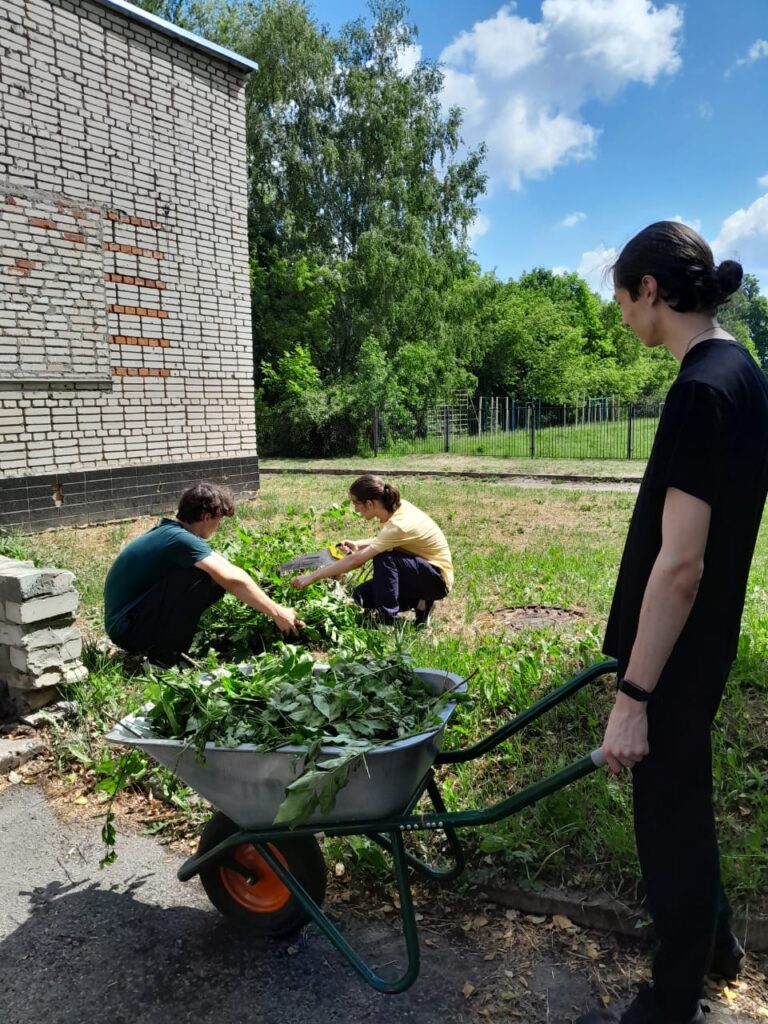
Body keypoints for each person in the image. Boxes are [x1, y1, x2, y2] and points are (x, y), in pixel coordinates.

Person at [577, 222, 768, 1024]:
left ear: (649, 290)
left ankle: (672, 1000)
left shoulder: (699, 390)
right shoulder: (744, 371)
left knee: (669, 829)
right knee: (687, 804)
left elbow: (680, 564)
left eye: (621, 298)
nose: (621, 315)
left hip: (674, 658)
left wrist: (633, 696)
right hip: (706, 644)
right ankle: (719, 948)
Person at [104, 481, 302, 666]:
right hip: (128, 629)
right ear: (207, 517)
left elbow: (232, 570)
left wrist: (273, 604)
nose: (219, 525)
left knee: (213, 576)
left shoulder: (173, 533)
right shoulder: (180, 540)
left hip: (131, 621)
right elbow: (232, 580)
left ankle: (166, 650)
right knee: (205, 577)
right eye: (219, 519)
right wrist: (276, 613)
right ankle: (164, 658)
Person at [290, 474, 453, 626]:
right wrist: (359, 544)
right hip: (419, 572)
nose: (355, 509)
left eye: (356, 504)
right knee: (359, 597)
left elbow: (356, 560)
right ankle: (421, 603)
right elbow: (390, 539)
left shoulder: (397, 525)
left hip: (437, 580)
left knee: (384, 557)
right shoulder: (396, 507)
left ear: (369, 504)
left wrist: (311, 577)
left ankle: (388, 620)